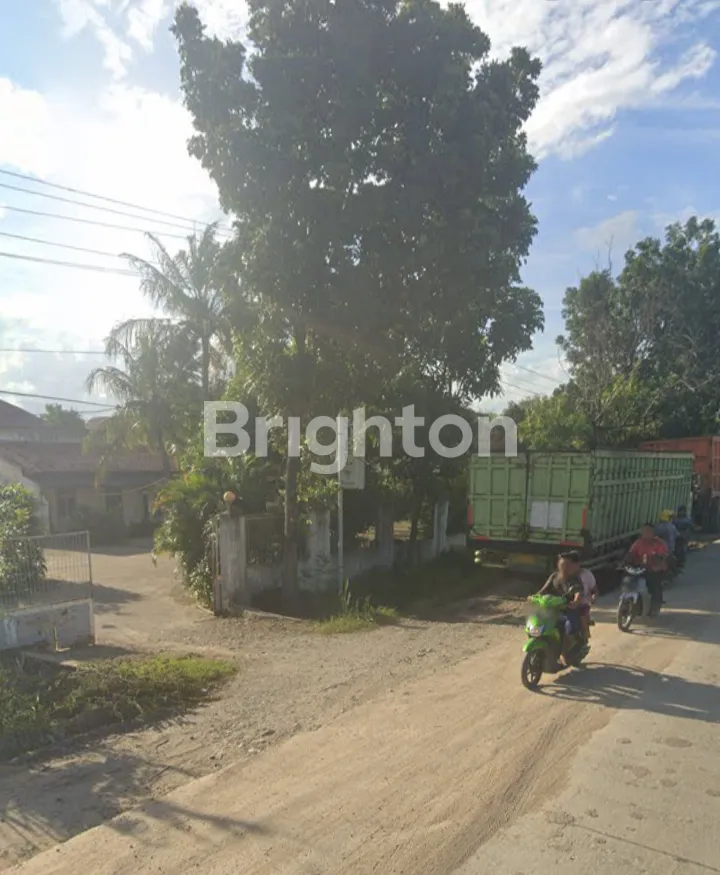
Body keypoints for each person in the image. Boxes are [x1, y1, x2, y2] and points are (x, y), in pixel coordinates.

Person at [536, 553, 585, 666]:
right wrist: (534, 596)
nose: (564, 567)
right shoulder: (554, 576)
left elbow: (578, 592)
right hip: (552, 609)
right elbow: (543, 590)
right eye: (562, 564)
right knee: (538, 621)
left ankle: (564, 652)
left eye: (567, 564)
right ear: (558, 565)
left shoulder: (574, 579)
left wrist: (575, 602)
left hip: (568, 609)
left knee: (568, 626)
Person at [624, 523, 670, 606]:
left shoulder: (660, 543)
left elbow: (662, 557)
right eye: (644, 531)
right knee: (628, 580)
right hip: (640, 568)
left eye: (648, 531)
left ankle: (655, 603)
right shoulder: (638, 542)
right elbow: (631, 553)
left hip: (655, 569)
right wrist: (626, 560)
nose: (646, 533)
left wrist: (654, 560)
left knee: (654, 583)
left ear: (654, 533)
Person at [564, 550, 598, 639]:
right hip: (564, 602)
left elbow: (594, 589)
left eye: (571, 563)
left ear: (578, 564)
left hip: (582, 603)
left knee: (582, 614)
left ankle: (585, 633)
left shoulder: (587, 574)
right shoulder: (562, 575)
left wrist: (594, 596)